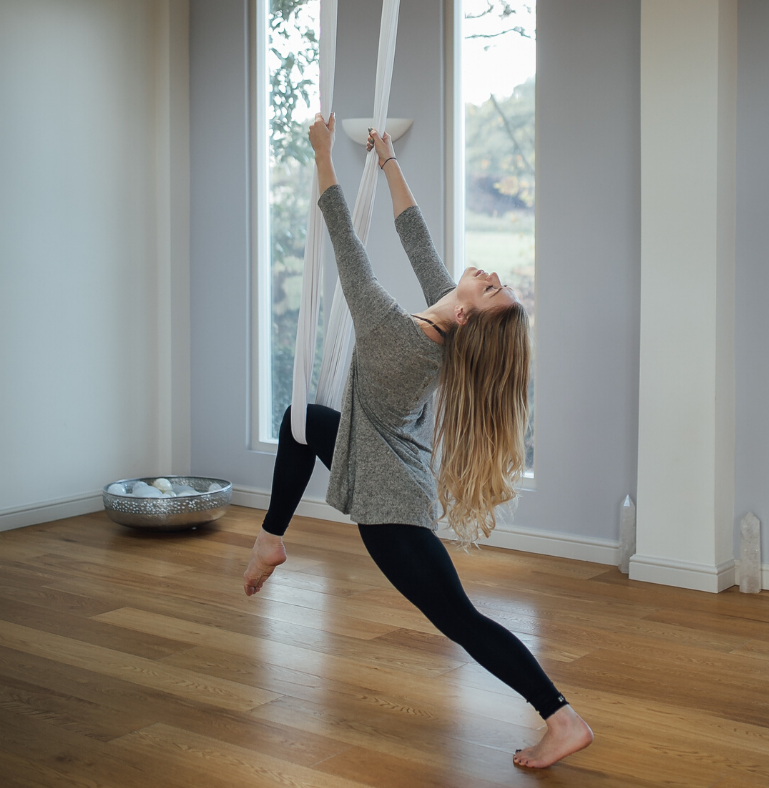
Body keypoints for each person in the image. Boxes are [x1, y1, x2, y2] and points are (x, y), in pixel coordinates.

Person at [242, 112, 593, 769]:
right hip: (380, 461)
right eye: (491, 282)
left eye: (488, 286)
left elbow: (346, 240)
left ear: (464, 313)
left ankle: (562, 717)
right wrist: (387, 159)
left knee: (461, 622)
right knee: (302, 421)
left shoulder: (397, 339)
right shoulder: (445, 321)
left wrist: (323, 154)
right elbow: (416, 237)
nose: (482, 272)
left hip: (392, 508)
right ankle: (270, 540)